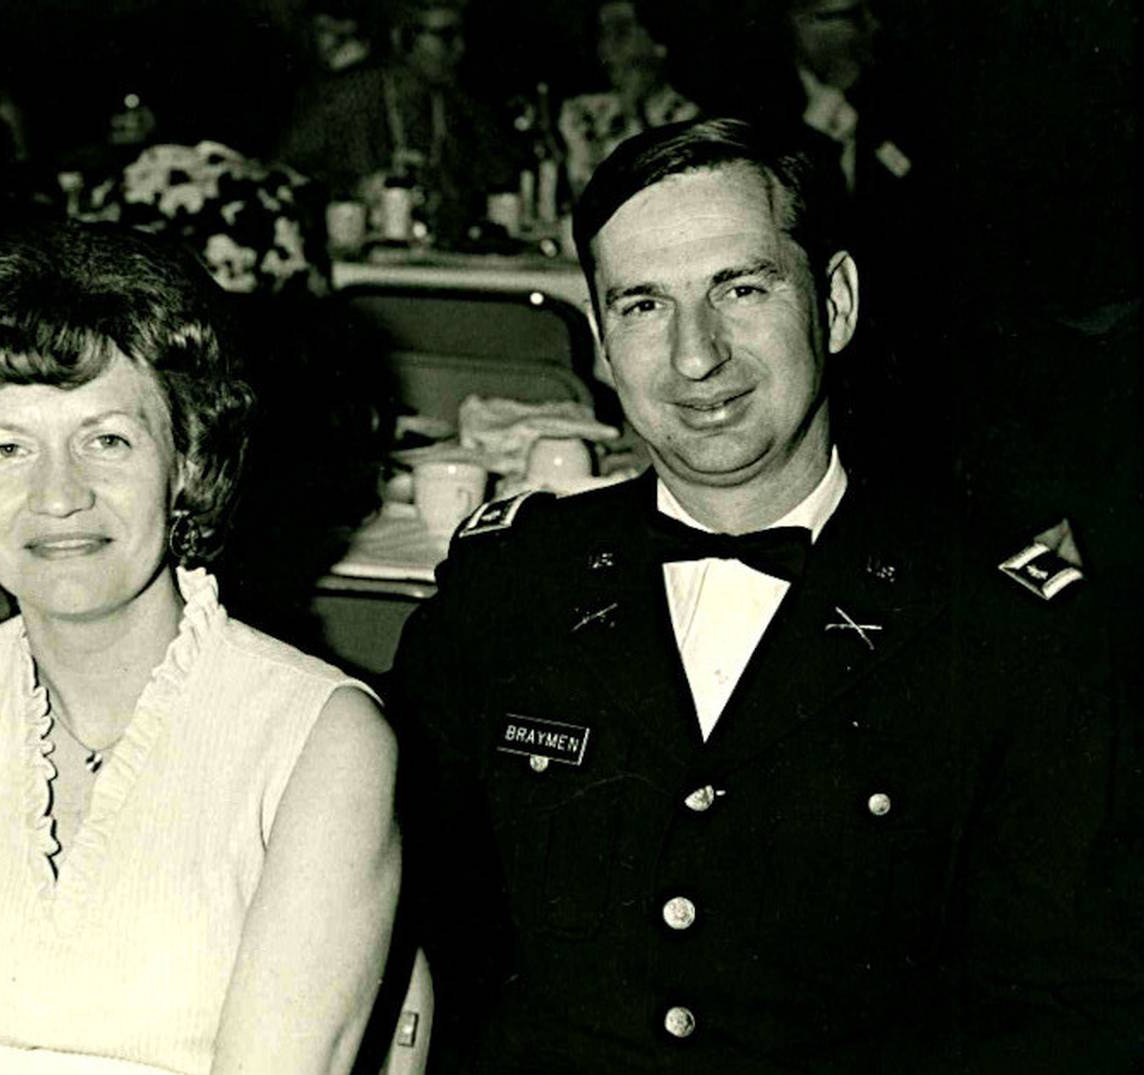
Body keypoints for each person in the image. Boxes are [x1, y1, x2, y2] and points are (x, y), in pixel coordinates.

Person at [389, 117, 1141, 1071]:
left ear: (835, 303)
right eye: (643, 305)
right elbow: (410, 928)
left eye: (740, 289)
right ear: (602, 342)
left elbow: (1068, 1015)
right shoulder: (507, 588)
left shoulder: (1006, 630)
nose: (695, 356)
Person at [0, 224, 401, 1074]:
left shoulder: (320, 738)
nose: (58, 495)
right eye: (6, 449)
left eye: (106, 439)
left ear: (185, 459)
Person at [276, 0, 516, 246]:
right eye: (445, 37)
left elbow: (495, 183)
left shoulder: (463, 110)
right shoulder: (346, 99)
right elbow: (284, 176)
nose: (459, 49)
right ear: (401, 38)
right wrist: (354, 190)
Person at [557, 0, 699, 194]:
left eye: (621, 33)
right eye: (602, 35)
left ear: (659, 44)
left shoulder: (690, 120)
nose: (607, 48)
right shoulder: (583, 114)